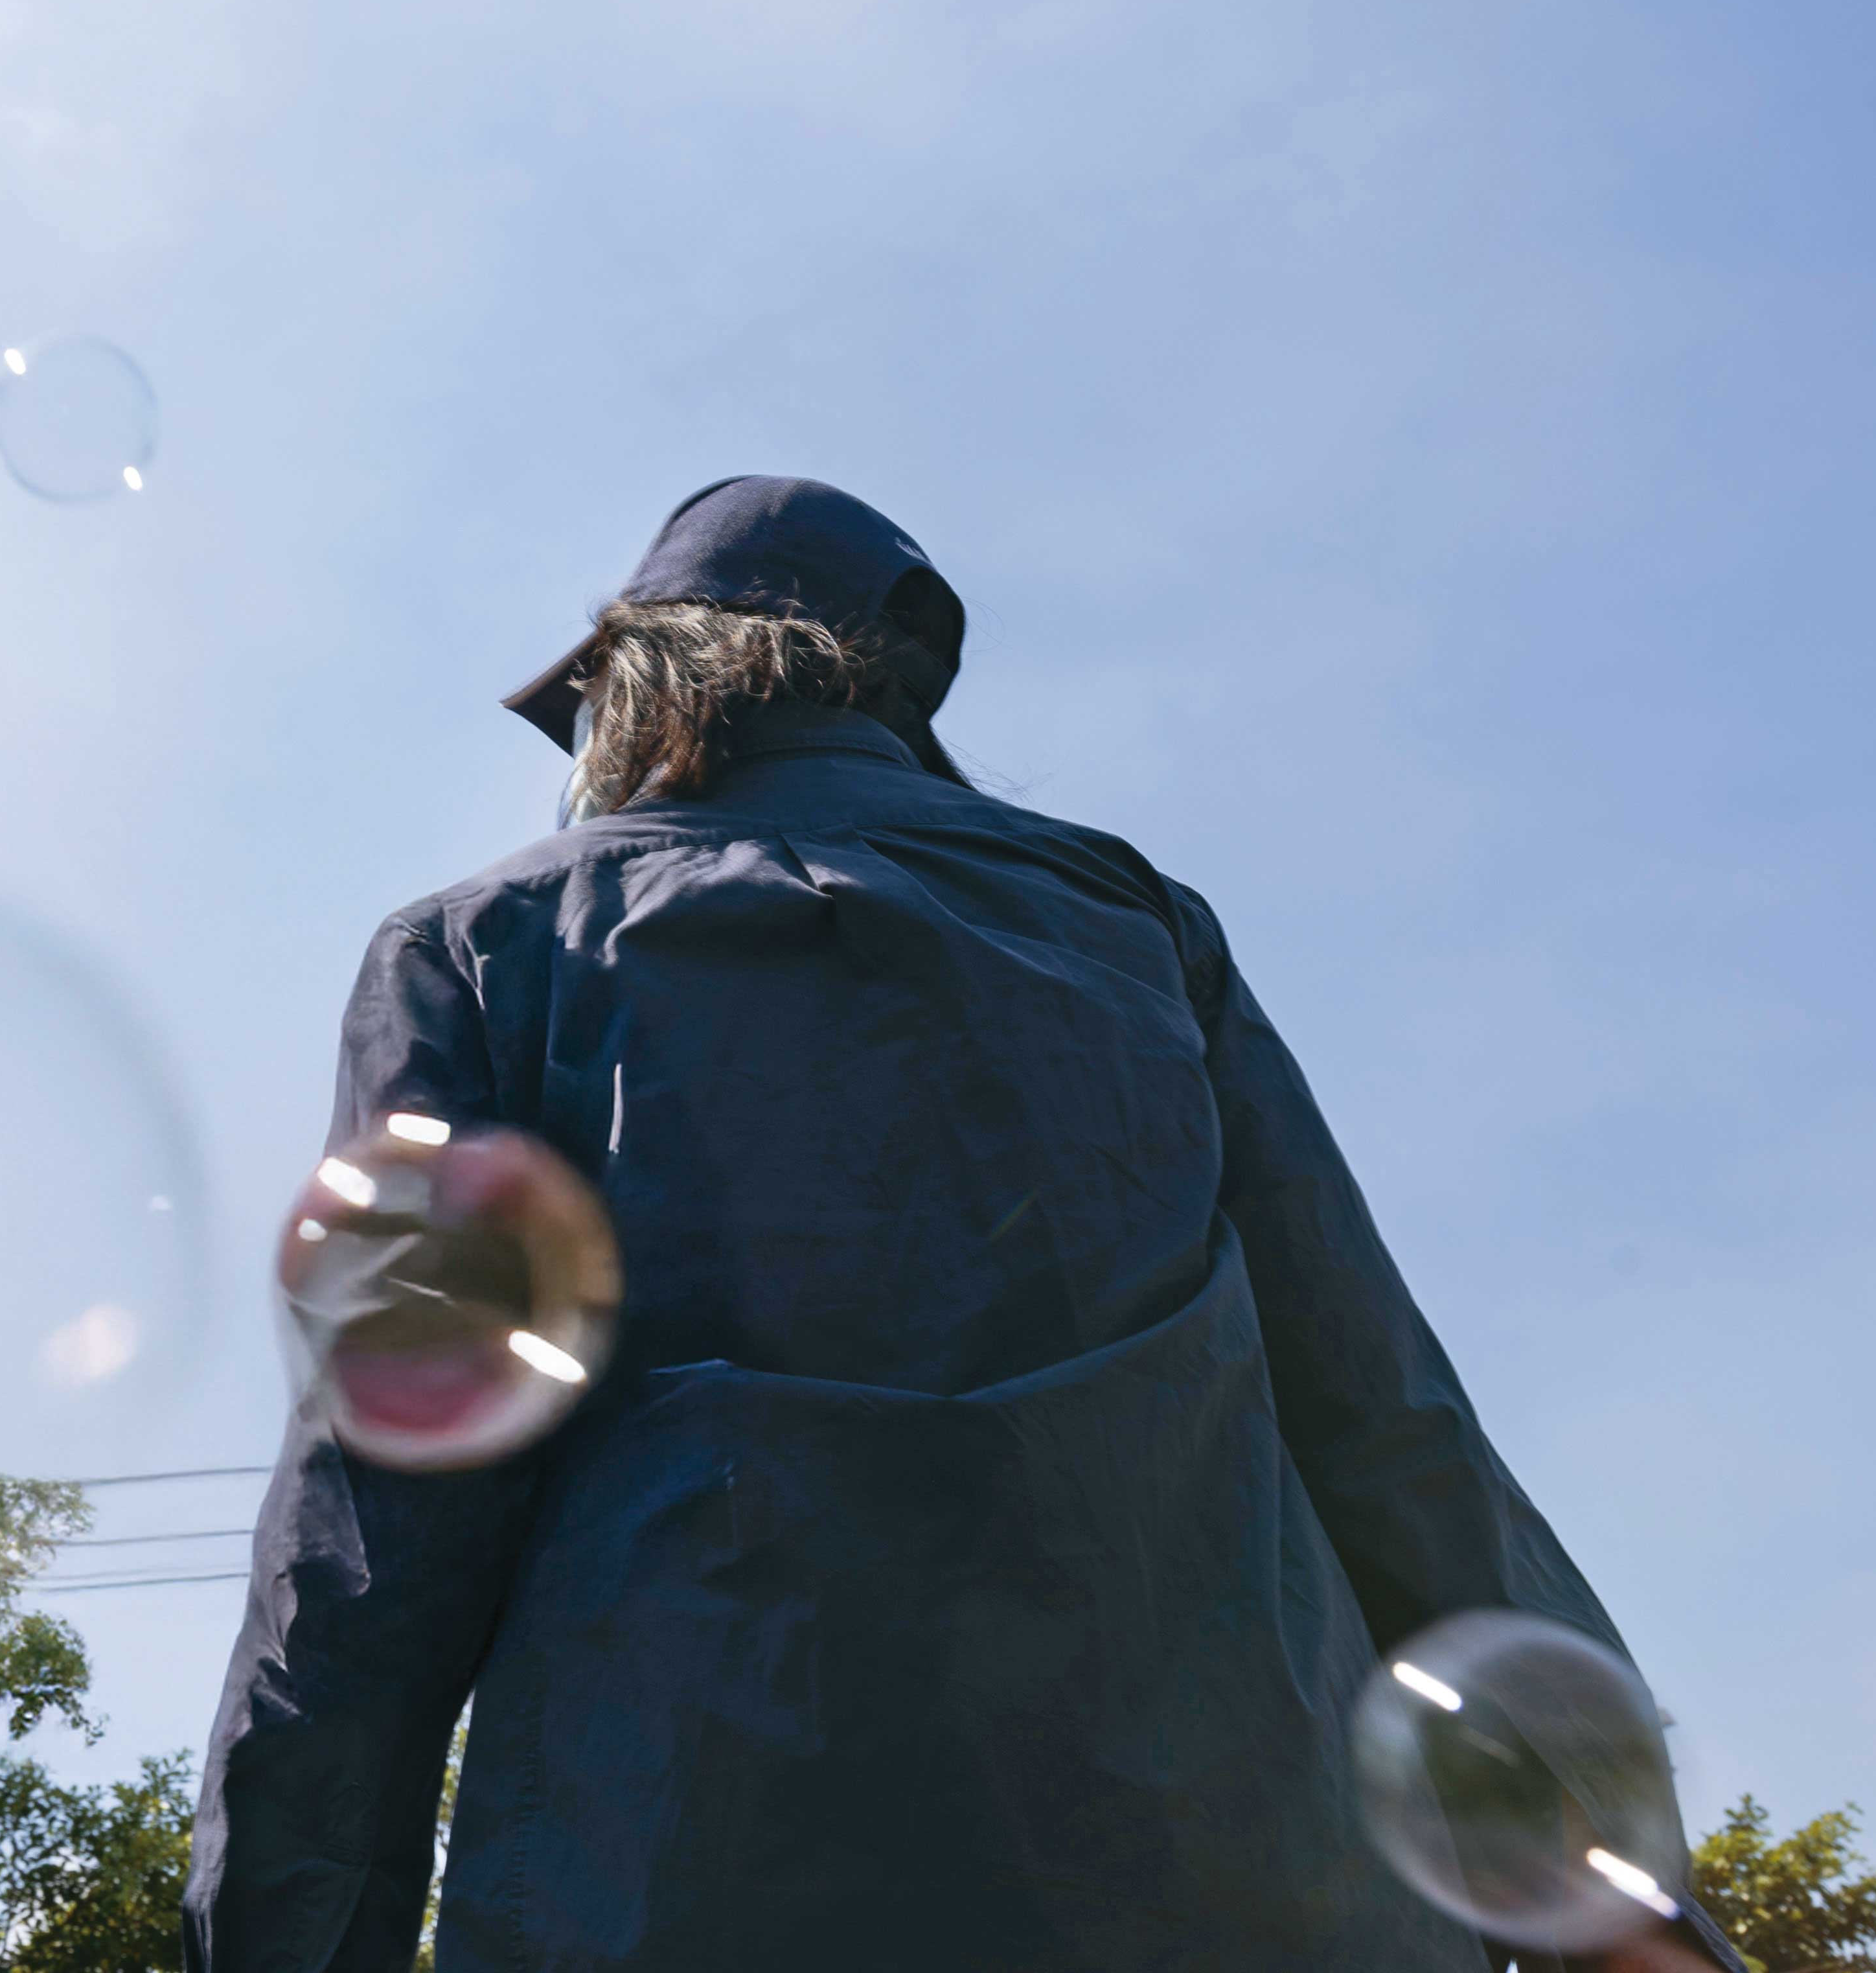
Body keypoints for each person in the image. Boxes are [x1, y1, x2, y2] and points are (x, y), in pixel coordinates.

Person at [187, 476, 1738, 1973]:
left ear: (661, 673)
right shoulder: (1138, 925)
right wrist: (1614, 1898)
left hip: (679, 1891)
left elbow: (375, 1529)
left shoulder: (480, 947)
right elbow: (1387, 1424)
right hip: (1275, 1897)